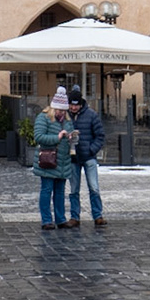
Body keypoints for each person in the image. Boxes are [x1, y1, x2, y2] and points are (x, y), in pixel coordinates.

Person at [32, 91, 75, 231]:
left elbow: (70, 138)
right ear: (53, 108)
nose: (61, 113)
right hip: (48, 160)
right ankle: (46, 220)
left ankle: (60, 219)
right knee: (46, 190)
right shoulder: (43, 118)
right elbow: (38, 137)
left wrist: (72, 138)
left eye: (63, 110)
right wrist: (57, 137)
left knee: (60, 192)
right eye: (59, 110)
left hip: (63, 161)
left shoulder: (68, 121)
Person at [67, 84, 105, 226]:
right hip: (73, 158)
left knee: (94, 187)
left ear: (80, 104)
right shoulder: (66, 116)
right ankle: (74, 217)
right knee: (73, 189)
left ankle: (98, 215)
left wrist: (91, 149)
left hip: (88, 157)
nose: (73, 108)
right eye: (71, 105)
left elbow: (100, 136)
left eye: (75, 105)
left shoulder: (91, 115)